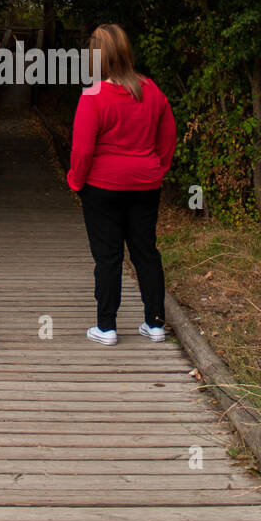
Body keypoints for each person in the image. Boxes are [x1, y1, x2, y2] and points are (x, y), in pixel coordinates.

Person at [66, 24, 176, 345]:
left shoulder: (94, 95)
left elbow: (82, 149)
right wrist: (157, 169)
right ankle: (155, 324)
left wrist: (76, 180)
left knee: (108, 256)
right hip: (145, 185)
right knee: (146, 252)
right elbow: (168, 135)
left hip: (102, 188)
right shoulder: (151, 90)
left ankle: (107, 327)